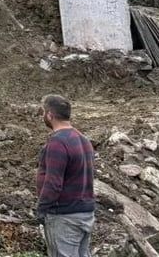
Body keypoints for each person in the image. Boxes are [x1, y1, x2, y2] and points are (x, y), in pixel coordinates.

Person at [37, 94, 95, 257]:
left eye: (44, 113)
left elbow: (53, 183)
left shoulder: (57, 142)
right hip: (85, 213)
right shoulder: (83, 139)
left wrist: (42, 209)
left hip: (64, 216)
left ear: (50, 115)